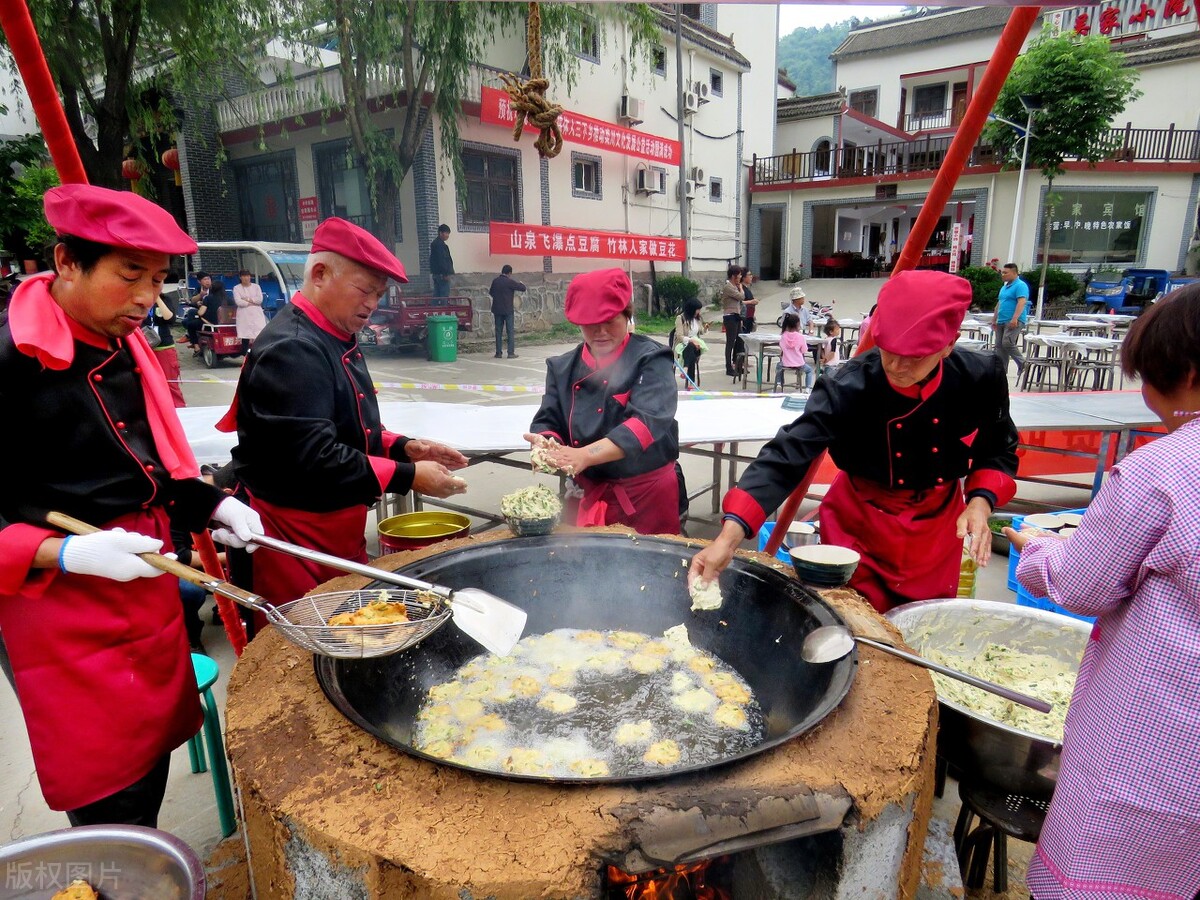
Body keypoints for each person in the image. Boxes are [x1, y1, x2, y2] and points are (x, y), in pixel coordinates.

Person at [0, 184, 263, 828]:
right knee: (110, 794)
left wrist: (212, 504)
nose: (148, 298)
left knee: (150, 763)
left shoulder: (125, 346)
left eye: (158, 279)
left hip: (143, 582)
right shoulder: (7, 361)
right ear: (66, 261)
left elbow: (143, 470)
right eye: (129, 275)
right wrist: (65, 550)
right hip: (61, 610)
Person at [1006, 286, 1200, 899]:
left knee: (1101, 879)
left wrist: (1035, 549)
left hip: (1152, 746)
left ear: (1186, 373)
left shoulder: (1161, 471)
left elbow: (1080, 583)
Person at [690, 270, 1018, 613]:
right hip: (860, 524)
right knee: (852, 624)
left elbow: (999, 448)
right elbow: (788, 454)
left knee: (923, 627)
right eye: (889, 350)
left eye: (916, 356)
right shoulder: (848, 385)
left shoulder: (980, 377)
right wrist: (728, 538)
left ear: (950, 342)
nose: (898, 365)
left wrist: (979, 503)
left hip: (936, 529)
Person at [219, 217, 469, 611]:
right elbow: (314, 455)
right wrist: (409, 477)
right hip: (293, 534)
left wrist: (406, 448)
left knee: (352, 626)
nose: (373, 303)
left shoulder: (332, 334)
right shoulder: (294, 347)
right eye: (365, 290)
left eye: (379, 293)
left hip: (335, 526)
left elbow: (345, 422)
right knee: (297, 648)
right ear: (320, 274)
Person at [524, 268, 682, 535]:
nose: (601, 332)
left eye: (610, 320)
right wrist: (547, 444)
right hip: (587, 491)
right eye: (590, 323)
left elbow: (646, 422)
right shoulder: (563, 367)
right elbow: (548, 419)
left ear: (627, 314)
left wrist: (585, 455)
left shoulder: (651, 359)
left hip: (645, 498)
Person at [149, 282, 186, 407]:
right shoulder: (140, 300)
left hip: (164, 347)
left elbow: (170, 318)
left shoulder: (165, 299)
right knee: (149, 385)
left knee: (170, 384)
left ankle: (179, 411)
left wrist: (157, 298)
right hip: (145, 347)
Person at [992, 262, 1029, 379]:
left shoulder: (1020, 285)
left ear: (1014, 273)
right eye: (1002, 272)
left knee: (1007, 342)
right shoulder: (1004, 287)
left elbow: (1021, 302)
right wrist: (994, 319)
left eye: (1005, 273)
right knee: (999, 345)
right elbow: (999, 303)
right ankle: (1002, 371)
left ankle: (1023, 363)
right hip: (1001, 320)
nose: (1003, 274)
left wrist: (1015, 318)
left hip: (1013, 320)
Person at [488, 264, 526, 359]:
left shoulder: (495, 281)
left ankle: (498, 353)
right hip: (508, 310)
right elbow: (522, 288)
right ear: (509, 273)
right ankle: (510, 353)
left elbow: (491, 292)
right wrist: (521, 283)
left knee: (498, 331)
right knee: (510, 331)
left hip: (497, 309)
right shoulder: (509, 282)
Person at [673, 297, 707, 389]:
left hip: (698, 346)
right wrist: (691, 340)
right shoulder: (681, 318)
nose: (698, 312)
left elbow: (701, 332)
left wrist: (705, 328)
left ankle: (685, 368)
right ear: (691, 309)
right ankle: (691, 382)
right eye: (697, 310)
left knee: (691, 348)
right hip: (682, 345)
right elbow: (679, 336)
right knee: (690, 348)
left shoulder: (698, 319)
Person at [773, 312, 813, 392]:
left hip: (785, 363)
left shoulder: (783, 336)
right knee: (809, 370)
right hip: (799, 363)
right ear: (798, 324)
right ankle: (808, 388)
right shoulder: (800, 337)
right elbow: (804, 350)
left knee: (778, 367)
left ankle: (778, 383)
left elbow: (782, 347)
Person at [233, 269, 267, 352]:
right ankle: (245, 354)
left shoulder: (256, 286)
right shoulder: (237, 288)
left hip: (256, 313)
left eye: (248, 276)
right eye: (244, 276)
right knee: (245, 335)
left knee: (259, 333)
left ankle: (259, 352)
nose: (246, 278)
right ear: (240, 277)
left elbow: (259, 300)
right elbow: (239, 302)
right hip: (244, 314)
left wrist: (247, 299)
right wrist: (252, 302)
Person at [719, 265, 744, 376]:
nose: (740, 277)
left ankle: (737, 365)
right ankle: (728, 367)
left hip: (736, 316)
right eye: (739, 275)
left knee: (739, 340)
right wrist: (741, 288)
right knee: (730, 342)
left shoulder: (735, 286)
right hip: (730, 316)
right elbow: (742, 297)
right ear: (734, 276)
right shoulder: (728, 287)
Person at [183, 271, 209, 352]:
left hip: (208, 313)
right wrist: (200, 296)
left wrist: (204, 303)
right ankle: (194, 340)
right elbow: (193, 300)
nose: (207, 281)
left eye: (208, 279)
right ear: (199, 281)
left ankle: (192, 340)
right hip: (200, 312)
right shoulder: (198, 289)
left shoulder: (213, 289)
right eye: (205, 279)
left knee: (191, 316)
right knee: (185, 322)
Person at [429, 224, 454, 299]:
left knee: (436, 295)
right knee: (444, 295)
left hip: (436, 273)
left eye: (448, 234)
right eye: (446, 233)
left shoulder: (436, 244)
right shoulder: (440, 245)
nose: (447, 235)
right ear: (440, 233)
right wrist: (445, 273)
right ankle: (443, 310)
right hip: (442, 275)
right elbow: (442, 260)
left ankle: (435, 310)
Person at [739, 268, 759, 333]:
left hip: (749, 317)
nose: (751, 276)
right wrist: (751, 302)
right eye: (749, 275)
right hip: (744, 317)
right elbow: (739, 302)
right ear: (744, 277)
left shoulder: (747, 288)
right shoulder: (740, 288)